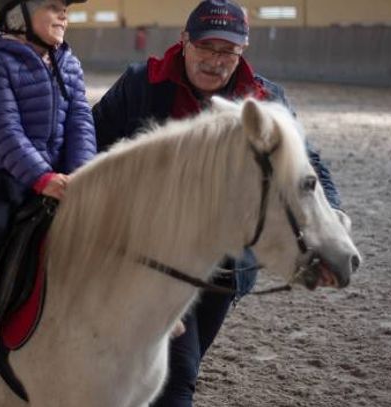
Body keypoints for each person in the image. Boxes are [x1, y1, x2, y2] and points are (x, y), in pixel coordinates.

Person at [92, 1, 343, 405]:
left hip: (223, 270)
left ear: (242, 52)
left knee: (165, 369)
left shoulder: (265, 99)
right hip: (152, 258)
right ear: (184, 40)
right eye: (207, 46)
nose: (216, 60)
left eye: (228, 51)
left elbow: (307, 164)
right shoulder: (141, 84)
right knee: (177, 375)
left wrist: (334, 213)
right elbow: (91, 143)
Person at [0, 0, 96, 359]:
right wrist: (40, 176)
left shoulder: (68, 61)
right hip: (8, 168)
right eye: (52, 6)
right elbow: (4, 128)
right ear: (17, 15)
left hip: (60, 170)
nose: (63, 14)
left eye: (65, 8)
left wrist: (81, 172)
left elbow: (81, 118)